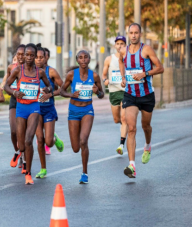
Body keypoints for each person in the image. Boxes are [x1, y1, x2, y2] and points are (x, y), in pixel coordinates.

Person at [118, 23, 164, 178]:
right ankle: (132, 166)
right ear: (128, 34)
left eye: (136, 33)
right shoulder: (123, 50)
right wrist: (123, 77)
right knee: (131, 128)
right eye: (131, 33)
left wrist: (145, 74)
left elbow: (160, 68)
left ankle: (148, 145)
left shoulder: (146, 49)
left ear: (140, 34)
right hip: (130, 94)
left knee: (146, 126)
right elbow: (120, 60)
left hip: (146, 95)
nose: (133, 35)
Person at [4, 43, 52, 185]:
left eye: (33, 55)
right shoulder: (18, 70)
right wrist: (14, 92)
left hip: (34, 107)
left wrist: (47, 91)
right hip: (20, 108)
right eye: (27, 55)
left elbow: (49, 86)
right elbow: (6, 85)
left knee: (29, 139)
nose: (30, 58)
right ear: (23, 55)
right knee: (22, 144)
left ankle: (28, 173)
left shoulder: (40, 72)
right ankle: (20, 152)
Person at [60, 50, 105, 184]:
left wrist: (98, 92)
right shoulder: (71, 75)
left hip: (87, 110)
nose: (83, 59)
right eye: (80, 57)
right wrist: (70, 95)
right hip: (73, 111)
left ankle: (84, 173)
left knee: (83, 140)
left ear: (89, 59)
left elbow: (102, 94)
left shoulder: (94, 76)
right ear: (77, 61)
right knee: (75, 148)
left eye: (86, 57)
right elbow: (62, 91)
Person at [34, 45, 65, 179]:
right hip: (35, 110)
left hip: (48, 109)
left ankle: (54, 138)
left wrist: (50, 94)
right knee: (40, 139)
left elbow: (62, 88)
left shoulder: (51, 72)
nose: (39, 60)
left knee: (48, 142)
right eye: (36, 57)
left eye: (41, 57)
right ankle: (43, 169)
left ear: (46, 58)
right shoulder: (29, 72)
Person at [102, 36, 128, 155]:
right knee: (117, 119)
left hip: (126, 92)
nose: (120, 45)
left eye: (122, 43)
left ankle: (121, 145)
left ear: (125, 45)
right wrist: (105, 80)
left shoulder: (128, 58)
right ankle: (123, 127)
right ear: (115, 45)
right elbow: (103, 75)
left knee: (124, 118)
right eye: (117, 43)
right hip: (113, 92)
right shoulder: (109, 59)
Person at [2, 45, 26, 170]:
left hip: (27, 101)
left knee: (24, 133)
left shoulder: (33, 69)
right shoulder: (11, 68)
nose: (20, 57)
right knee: (14, 131)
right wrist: (13, 92)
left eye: (23, 54)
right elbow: (7, 85)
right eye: (18, 54)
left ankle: (24, 158)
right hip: (14, 99)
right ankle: (17, 151)